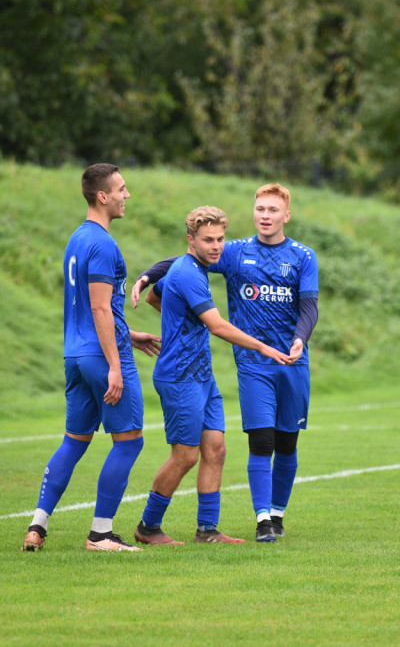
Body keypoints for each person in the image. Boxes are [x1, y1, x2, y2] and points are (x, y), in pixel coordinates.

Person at [132, 184, 319, 542]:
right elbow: (209, 311)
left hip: (222, 373)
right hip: (207, 371)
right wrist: (149, 274)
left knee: (220, 449)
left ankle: (210, 530)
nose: (216, 245)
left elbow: (309, 306)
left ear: (286, 215)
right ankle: (150, 526)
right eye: (260, 209)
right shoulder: (213, 261)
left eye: (272, 210)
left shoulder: (300, 256)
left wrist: (299, 337)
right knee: (199, 454)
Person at [22, 163, 161, 553]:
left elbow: (89, 307)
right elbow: (100, 309)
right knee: (129, 442)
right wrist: (116, 364)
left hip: (76, 355)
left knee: (74, 441)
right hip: (102, 357)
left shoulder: (77, 239)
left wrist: (128, 335)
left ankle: (37, 526)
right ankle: (100, 534)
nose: (126, 195)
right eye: (121, 189)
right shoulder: (102, 243)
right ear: (103, 196)